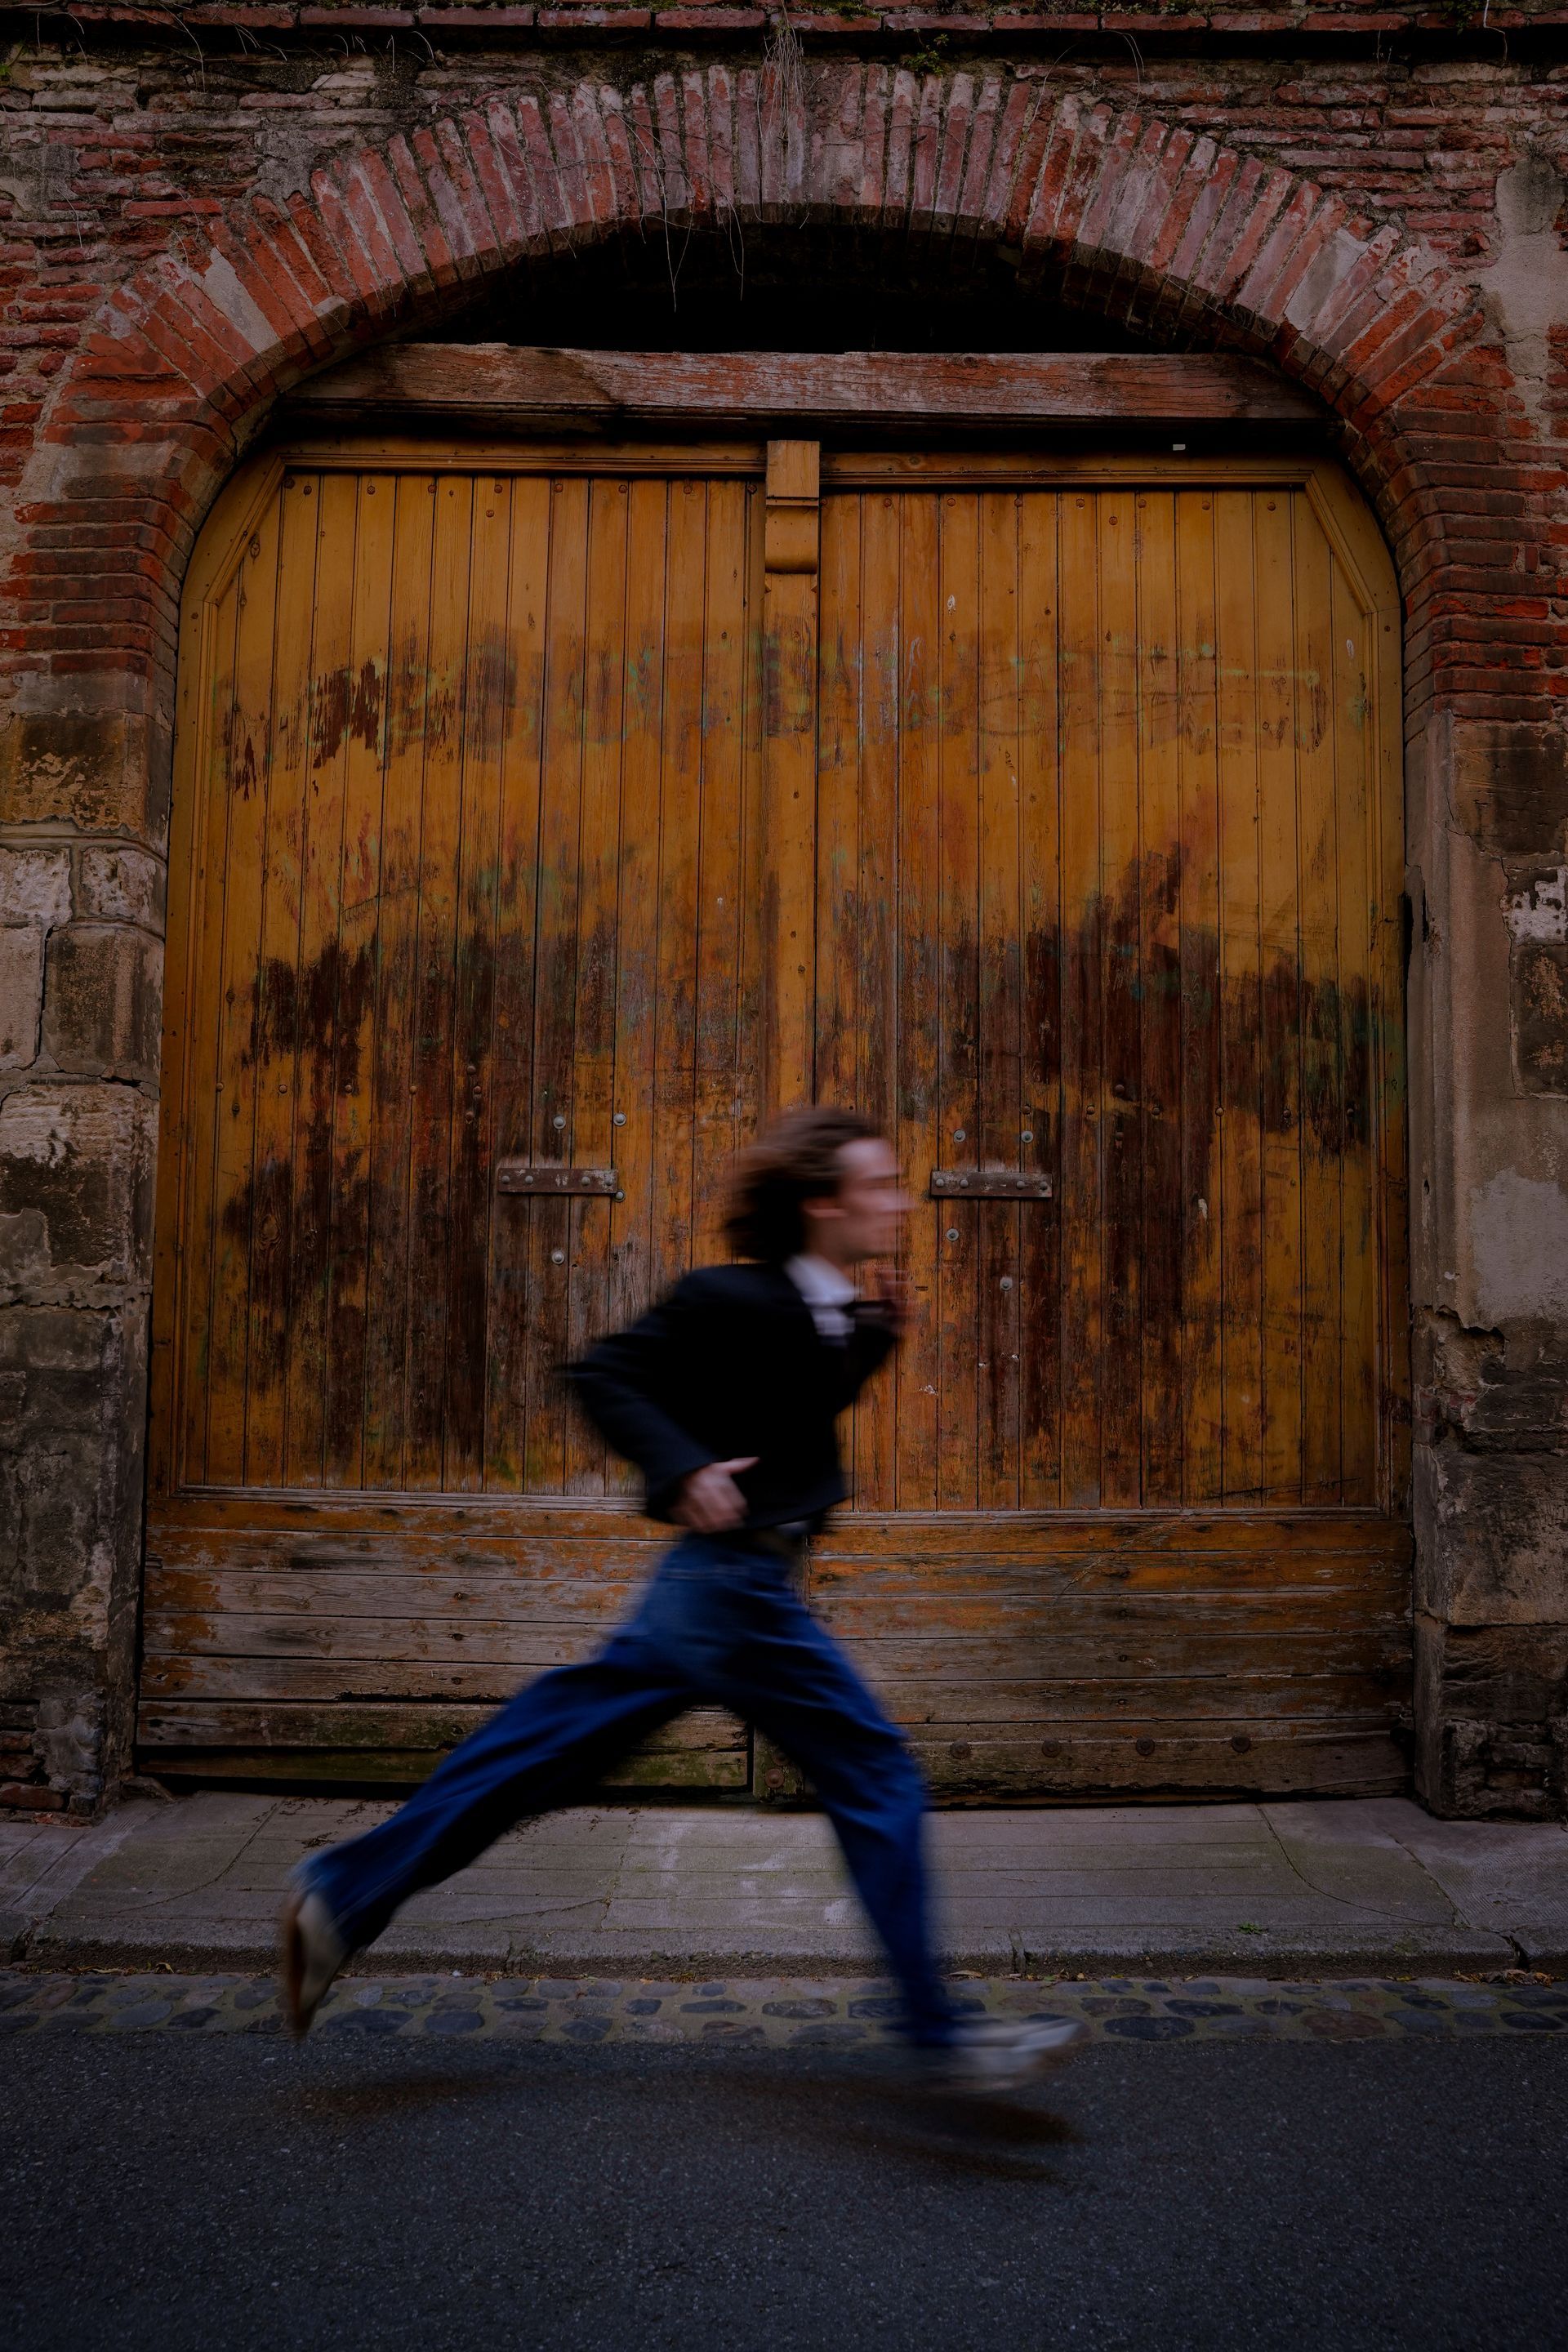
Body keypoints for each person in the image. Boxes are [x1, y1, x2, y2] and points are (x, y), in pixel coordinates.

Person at [280, 1107, 1082, 2087]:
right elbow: (606, 1374)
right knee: (877, 1777)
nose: (900, 1201)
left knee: (540, 1751)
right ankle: (941, 2033)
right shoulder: (727, 1295)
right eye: (878, 1183)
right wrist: (684, 1468)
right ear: (821, 1203)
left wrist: (872, 1342)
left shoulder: (823, 1307)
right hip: (738, 1590)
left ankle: (341, 1894)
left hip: (706, 1592)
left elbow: (788, 1413)